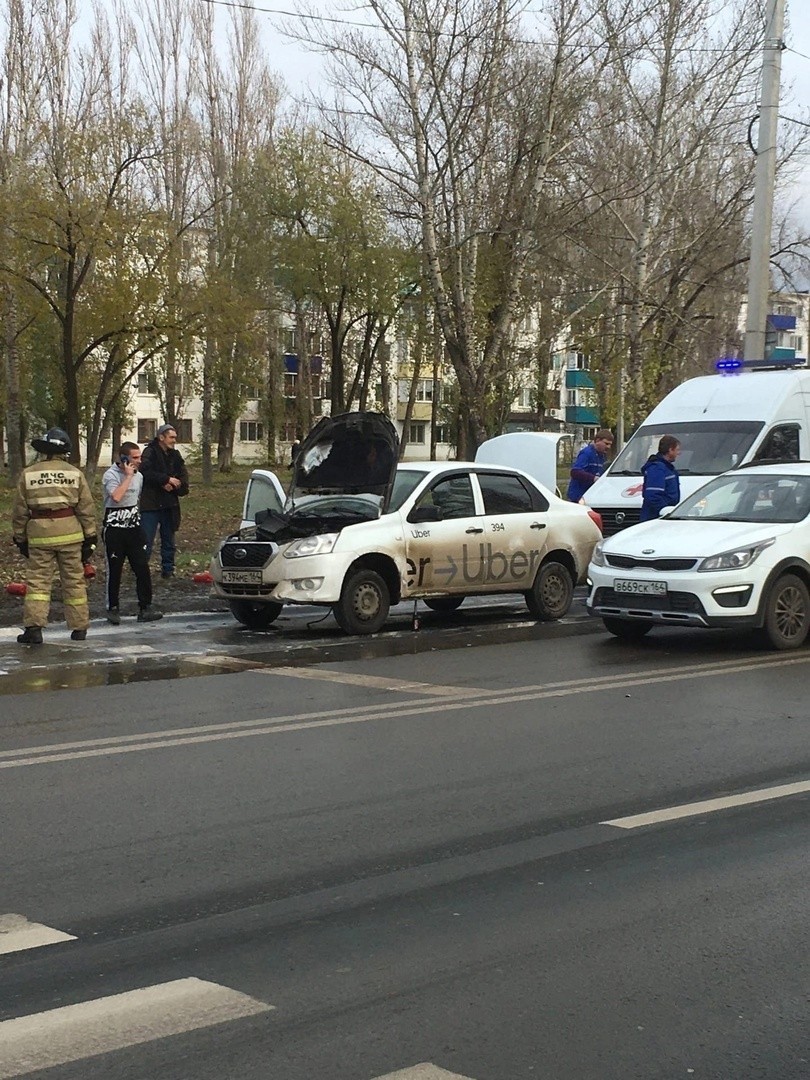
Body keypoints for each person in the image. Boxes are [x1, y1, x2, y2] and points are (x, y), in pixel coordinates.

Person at [11, 427, 97, 645]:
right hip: (70, 535)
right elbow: (86, 508)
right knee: (74, 583)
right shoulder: (74, 474)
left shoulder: (28, 474)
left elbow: (20, 511)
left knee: (38, 583)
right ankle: (79, 628)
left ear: (44, 450)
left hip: (39, 537)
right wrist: (91, 537)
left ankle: (34, 628)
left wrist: (20, 538)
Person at [101, 441, 163, 624]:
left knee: (142, 567)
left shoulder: (140, 476)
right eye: (135, 458)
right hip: (114, 528)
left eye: (140, 457)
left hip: (133, 527)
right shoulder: (110, 475)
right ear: (123, 458)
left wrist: (133, 475)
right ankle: (113, 607)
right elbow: (117, 497)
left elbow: (136, 499)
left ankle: (146, 606)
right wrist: (127, 477)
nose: (139, 461)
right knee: (115, 569)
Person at [139, 423, 189, 579]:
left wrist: (176, 486)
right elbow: (144, 472)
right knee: (146, 540)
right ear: (161, 437)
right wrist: (165, 480)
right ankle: (141, 569)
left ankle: (168, 569)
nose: (174, 440)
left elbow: (183, 476)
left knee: (169, 540)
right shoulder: (150, 452)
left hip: (169, 504)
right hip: (151, 504)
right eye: (171, 437)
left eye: (175, 437)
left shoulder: (175, 456)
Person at [640, 435, 682, 521]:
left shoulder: (666, 467)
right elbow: (653, 495)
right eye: (677, 450)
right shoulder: (657, 468)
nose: (679, 453)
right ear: (670, 450)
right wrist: (666, 513)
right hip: (656, 519)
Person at [567, 429, 614, 503]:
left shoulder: (603, 456)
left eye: (610, 444)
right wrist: (594, 478)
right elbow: (575, 472)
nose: (609, 447)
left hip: (591, 496)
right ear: (598, 440)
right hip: (578, 497)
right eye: (606, 443)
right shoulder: (587, 453)